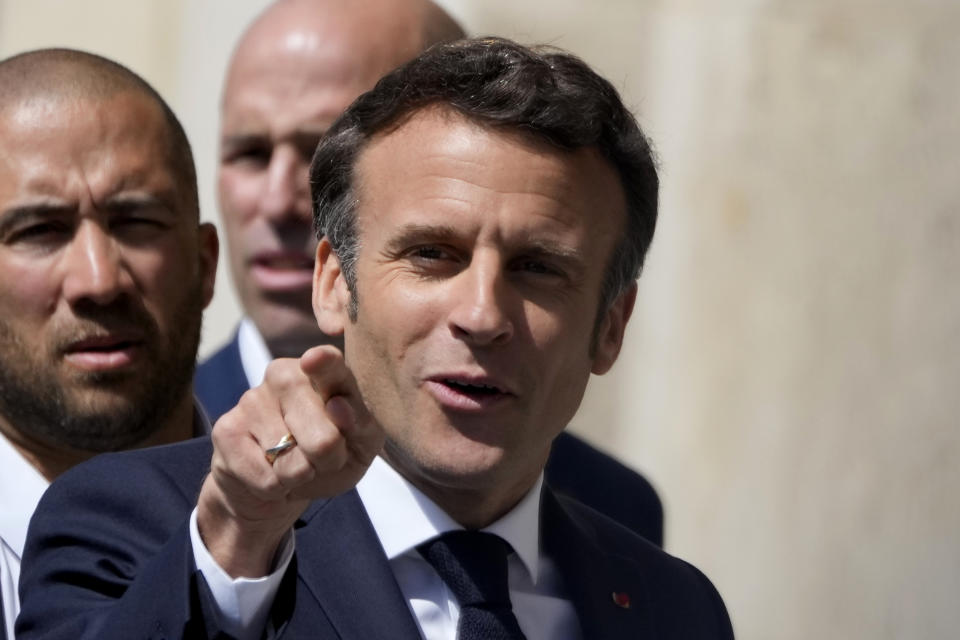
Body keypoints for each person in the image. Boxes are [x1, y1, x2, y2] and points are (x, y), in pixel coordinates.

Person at [18, 38, 733, 639]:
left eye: (539, 268)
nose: (482, 314)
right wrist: (237, 546)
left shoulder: (674, 608)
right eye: (431, 254)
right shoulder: (138, 529)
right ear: (332, 282)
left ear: (610, 328)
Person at [196, 0, 663, 544]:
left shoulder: (617, 516)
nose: (280, 200)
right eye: (249, 153)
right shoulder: (143, 466)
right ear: (331, 277)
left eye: (321, 148)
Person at [0, 49, 218, 638]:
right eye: (39, 230)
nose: (99, 281)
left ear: (205, 264)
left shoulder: (327, 533)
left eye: (137, 221)